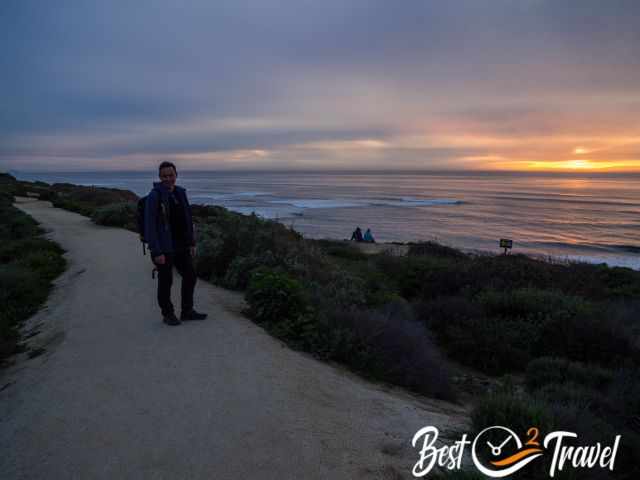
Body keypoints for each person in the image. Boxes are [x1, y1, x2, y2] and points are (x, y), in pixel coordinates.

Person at [145, 161, 207, 325]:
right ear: (159, 177)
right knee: (166, 281)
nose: (168, 178)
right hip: (164, 247)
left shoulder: (180, 193)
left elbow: (187, 218)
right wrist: (156, 251)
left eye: (171, 175)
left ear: (176, 175)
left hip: (181, 245)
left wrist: (192, 242)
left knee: (190, 276)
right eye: (164, 176)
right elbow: (149, 225)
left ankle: (187, 311)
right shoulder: (155, 196)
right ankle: (168, 314)